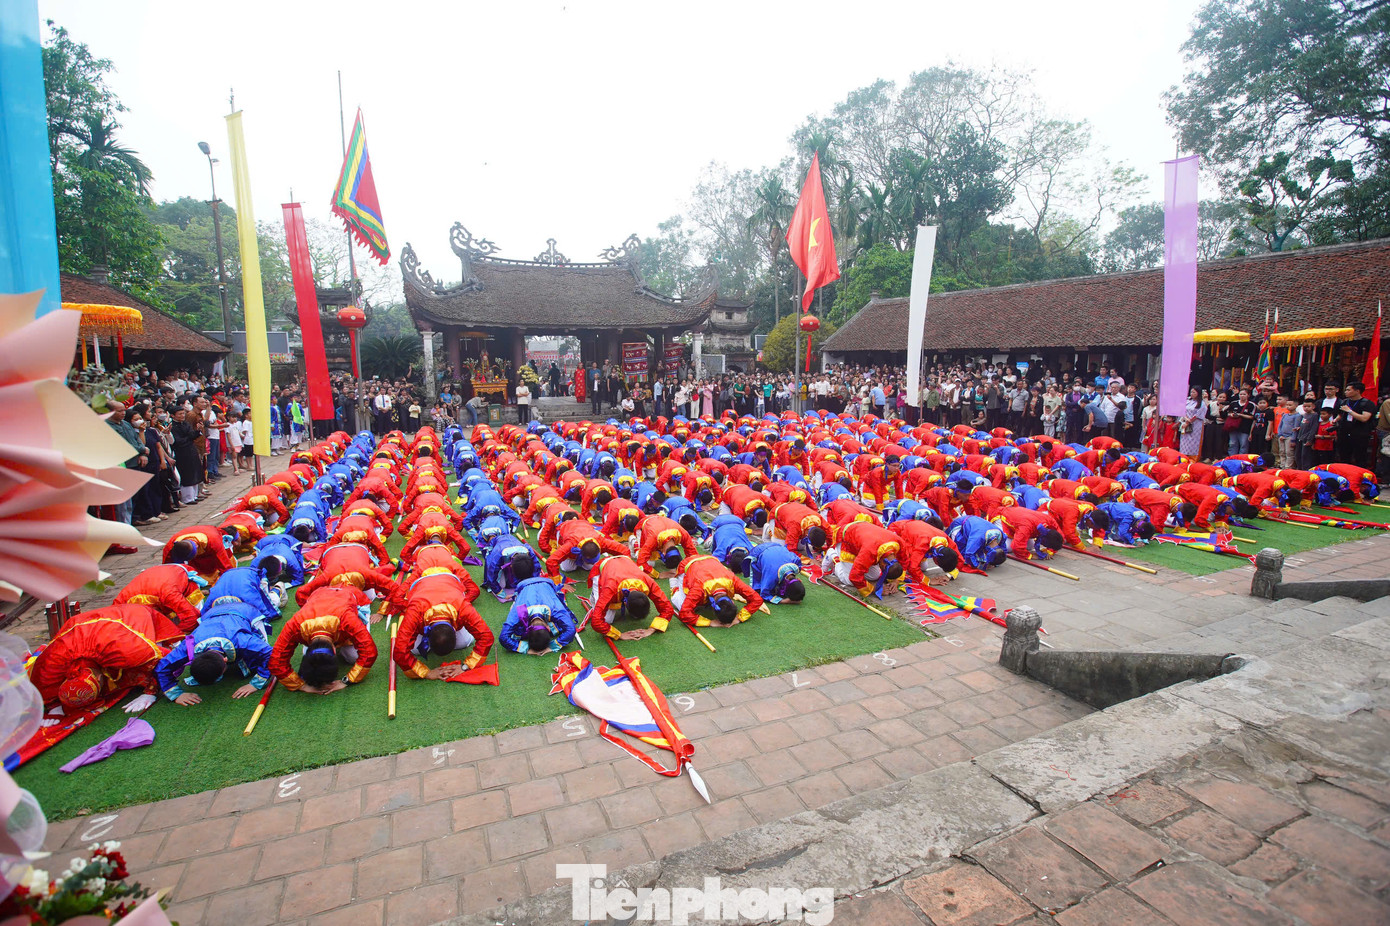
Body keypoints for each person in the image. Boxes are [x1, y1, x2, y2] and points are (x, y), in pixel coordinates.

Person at [28, 604, 184, 713]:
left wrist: (151, 691)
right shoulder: (51, 662)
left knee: (144, 665)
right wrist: (54, 707)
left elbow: (167, 659)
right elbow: (43, 683)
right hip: (88, 626)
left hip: (131, 617)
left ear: (100, 677)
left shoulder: (125, 651)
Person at [155, 600, 273, 706]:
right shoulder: (188, 648)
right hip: (212, 614)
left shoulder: (241, 640)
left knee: (254, 662)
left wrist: (256, 683)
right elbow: (162, 667)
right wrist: (176, 694)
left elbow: (268, 652)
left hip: (245, 611)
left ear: (225, 660)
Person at [269, 585, 377, 694]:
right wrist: (301, 685)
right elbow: (276, 661)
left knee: (353, 657)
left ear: (334, 650)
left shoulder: (347, 620)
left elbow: (369, 651)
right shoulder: (295, 626)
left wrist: (347, 680)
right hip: (319, 594)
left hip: (347, 594)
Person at [391, 573, 494, 677]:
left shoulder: (463, 608)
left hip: (448, 583)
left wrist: (466, 666)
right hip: (422, 584)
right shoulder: (415, 612)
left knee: (464, 642)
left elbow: (486, 637)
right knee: (416, 650)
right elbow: (400, 651)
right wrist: (427, 673)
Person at [585, 554, 676, 640]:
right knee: (607, 619)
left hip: (626, 563)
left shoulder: (649, 582)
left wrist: (651, 629)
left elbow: (667, 608)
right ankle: (593, 596)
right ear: (625, 603)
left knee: (633, 614)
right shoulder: (609, 589)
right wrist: (619, 635)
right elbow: (596, 621)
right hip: (604, 567)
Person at [670, 553, 764, 627]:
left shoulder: (734, 581)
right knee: (682, 605)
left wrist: (739, 618)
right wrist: (710, 622)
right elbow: (684, 613)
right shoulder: (699, 589)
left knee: (696, 603)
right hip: (687, 565)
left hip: (711, 559)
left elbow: (757, 599)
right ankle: (674, 586)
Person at [112, 563, 205, 632]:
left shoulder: (170, 595)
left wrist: (172, 634)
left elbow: (192, 617)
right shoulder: (120, 603)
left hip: (177, 577)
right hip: (162, 576)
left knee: (197, 619)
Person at [500, 580, 578, 653]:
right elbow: (570, 629)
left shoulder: (518, 612)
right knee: (559, 627)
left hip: (539, 583)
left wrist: (525, 648)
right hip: (531, 584)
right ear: (548, 628)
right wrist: (553, 646)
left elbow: (504, 637)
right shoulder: (555, 610)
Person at [162, 525, 238, 579]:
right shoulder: (170, 547)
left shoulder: (214, 543)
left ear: (197, 546)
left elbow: (225, 566)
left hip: (210, 546)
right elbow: (169, 570)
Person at [1337, 382, 1375, 467]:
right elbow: (1340, 414)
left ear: (1357, 391)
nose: (1346, 392)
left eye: (1348, 390)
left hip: (1359, 434)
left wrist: (1350, 411)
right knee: (1343, 457)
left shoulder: (1367, 403)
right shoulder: (1345, 402)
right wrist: (1335, 420)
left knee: (1360, 458)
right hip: (1344, 433)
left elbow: (1364, 418)